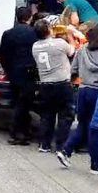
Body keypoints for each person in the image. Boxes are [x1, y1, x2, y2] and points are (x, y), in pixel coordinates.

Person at [57, 21, 98, 175]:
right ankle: (96, 165)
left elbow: (74, 70)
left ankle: (65, 151)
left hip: (83, 91)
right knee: (96, 129)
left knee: (83, 125)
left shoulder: (83, 49)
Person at [32, 19, 75, 153]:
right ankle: (61, 146)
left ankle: (44, 144)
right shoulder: (60, 43)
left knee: (47, 115)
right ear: (49, 30)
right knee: (65, 116)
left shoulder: (35, 46)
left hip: (45, 85)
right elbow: (72, 52)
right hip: (62, 84)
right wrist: (70, 36)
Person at [0, 7, 39, 146]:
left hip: (14, 73)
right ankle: (18, 134)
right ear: (29, 18)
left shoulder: (8, 33)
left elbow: (3, 55)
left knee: (18, 103)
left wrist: (8, 70)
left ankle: (22, 132)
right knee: (24, 105)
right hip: (29, 74)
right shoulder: (34, 33)